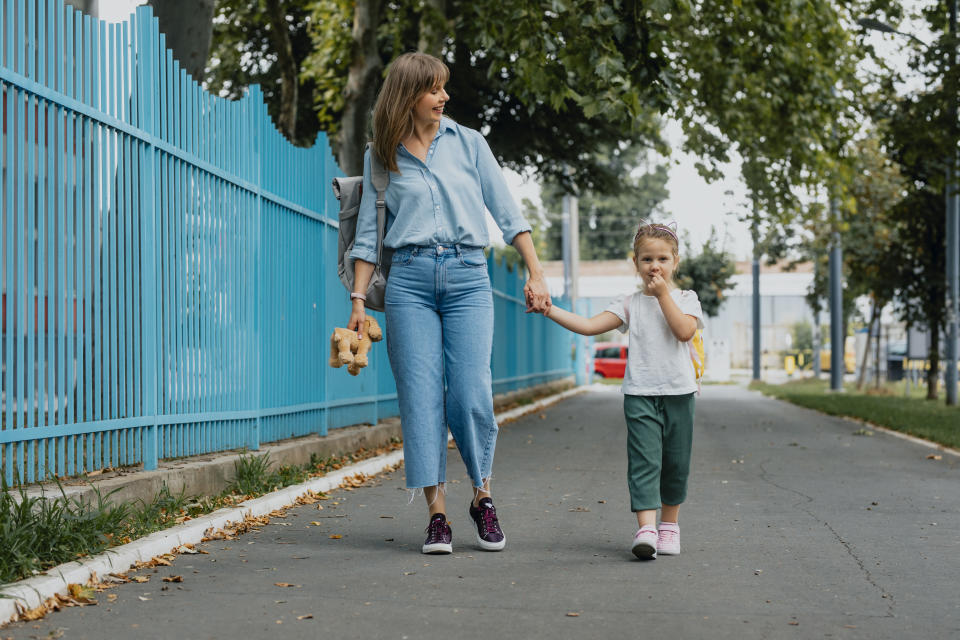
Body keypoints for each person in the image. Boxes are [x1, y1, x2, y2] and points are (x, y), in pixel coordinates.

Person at [346, 52, 551, 555]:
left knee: (470, 394)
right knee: (420, 397)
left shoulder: (469, 143)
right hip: (410, 281)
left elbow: (508, 211)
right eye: (434, 89)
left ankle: (482, 496)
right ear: (409, 94)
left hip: (467, 276)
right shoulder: (382, 155)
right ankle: (437, 513)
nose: (444, 97)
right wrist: (357, 300)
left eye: (444, 89)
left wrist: (536, 269)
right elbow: (370, 238)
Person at [543, 220, 703, 560]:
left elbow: (684, 332)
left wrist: (662, 296)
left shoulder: (687, 299)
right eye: (647, 259)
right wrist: (549, 309)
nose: (654, 266)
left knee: (675, 463)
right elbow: (588, 326)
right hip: (640, 395)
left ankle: (669, 527)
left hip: (679, 394)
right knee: (644, 461)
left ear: (676, 261)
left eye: (662, 258)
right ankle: (646, 528)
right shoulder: (629, 303)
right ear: (636, 264)